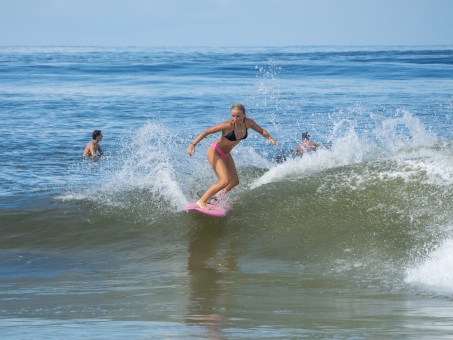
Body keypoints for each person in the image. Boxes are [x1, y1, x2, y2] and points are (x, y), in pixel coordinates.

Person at [187, 103, 279, 209]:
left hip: (226, 154)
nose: (235, 118)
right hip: (215, 152)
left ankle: (217, 198)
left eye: (238, 116)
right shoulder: (227, 125)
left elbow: (262, 131)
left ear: (244, 115)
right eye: (233, 116)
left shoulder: (248, 123)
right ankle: (201, 201)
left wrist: (269, 138)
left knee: (235, 181)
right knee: (224, 181)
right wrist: (193, 144)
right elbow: (206, 132)